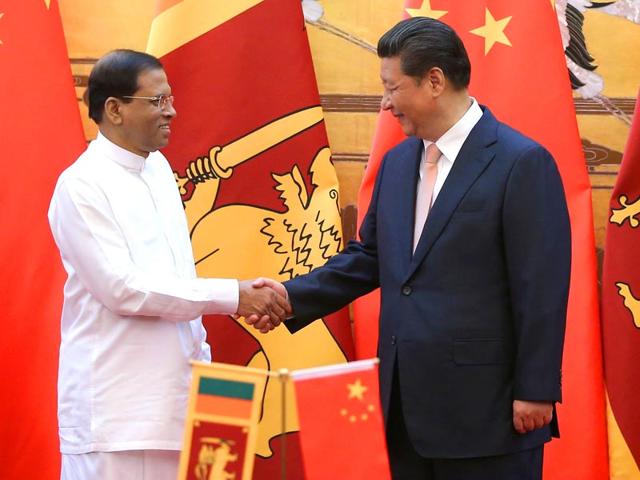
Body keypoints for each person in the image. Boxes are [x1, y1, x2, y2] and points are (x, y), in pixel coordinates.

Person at [252, 17, 571, 479]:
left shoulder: (521, 162)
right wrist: (289, 297)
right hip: (404, 406)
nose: (385, 104)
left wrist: (537, 388)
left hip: (489, 411)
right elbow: (371, 256)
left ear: (434, 81)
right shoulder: (398, 162)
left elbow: (541, 285)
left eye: (391, 87)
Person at [48, 49, 289, 480]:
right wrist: (234, 296)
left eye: (170, 98)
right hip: (121, 420)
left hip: (194, 400)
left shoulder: (157, 168)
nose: (171, 111)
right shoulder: (80, 186)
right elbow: (123, 288)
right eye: (157, 101)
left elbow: (178, 281)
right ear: (114, 110)